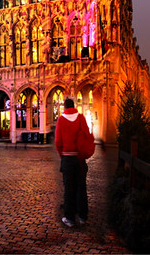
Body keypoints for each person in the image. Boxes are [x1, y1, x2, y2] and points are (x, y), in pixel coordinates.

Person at [55, 97, 92, 228]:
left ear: (65, 107)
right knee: (81, 187)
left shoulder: (60, 119)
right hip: (80, 159)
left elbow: (58, 142)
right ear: (74, 106)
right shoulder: (81, 118)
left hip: (67, 158)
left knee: (69, 189)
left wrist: (62, 156)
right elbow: (87, 134)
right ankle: (83, 216)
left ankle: (70, 218)